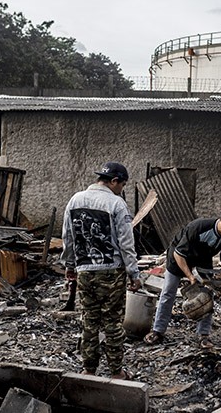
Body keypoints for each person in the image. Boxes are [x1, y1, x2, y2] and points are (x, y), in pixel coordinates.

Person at [62, 162, 142, 380]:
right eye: (122, 185)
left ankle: (88, 369)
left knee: (89, 320)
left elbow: (68, 237)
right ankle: (117, 372)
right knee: (113, 323)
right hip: (111, 271)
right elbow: (126, 243)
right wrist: (134, 274)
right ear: (114, 181)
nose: (122, 190)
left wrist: (70, 266)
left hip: (85, 270)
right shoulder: (117, 204)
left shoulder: (75, 200)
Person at [144, 207, 221, 349]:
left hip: (203, 260)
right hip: (178, 256)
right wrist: (190, 276)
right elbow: (179, 254)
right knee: (168, 292)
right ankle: (158, 331)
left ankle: (203, 335)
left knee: (207, 295)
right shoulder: (199, 227)